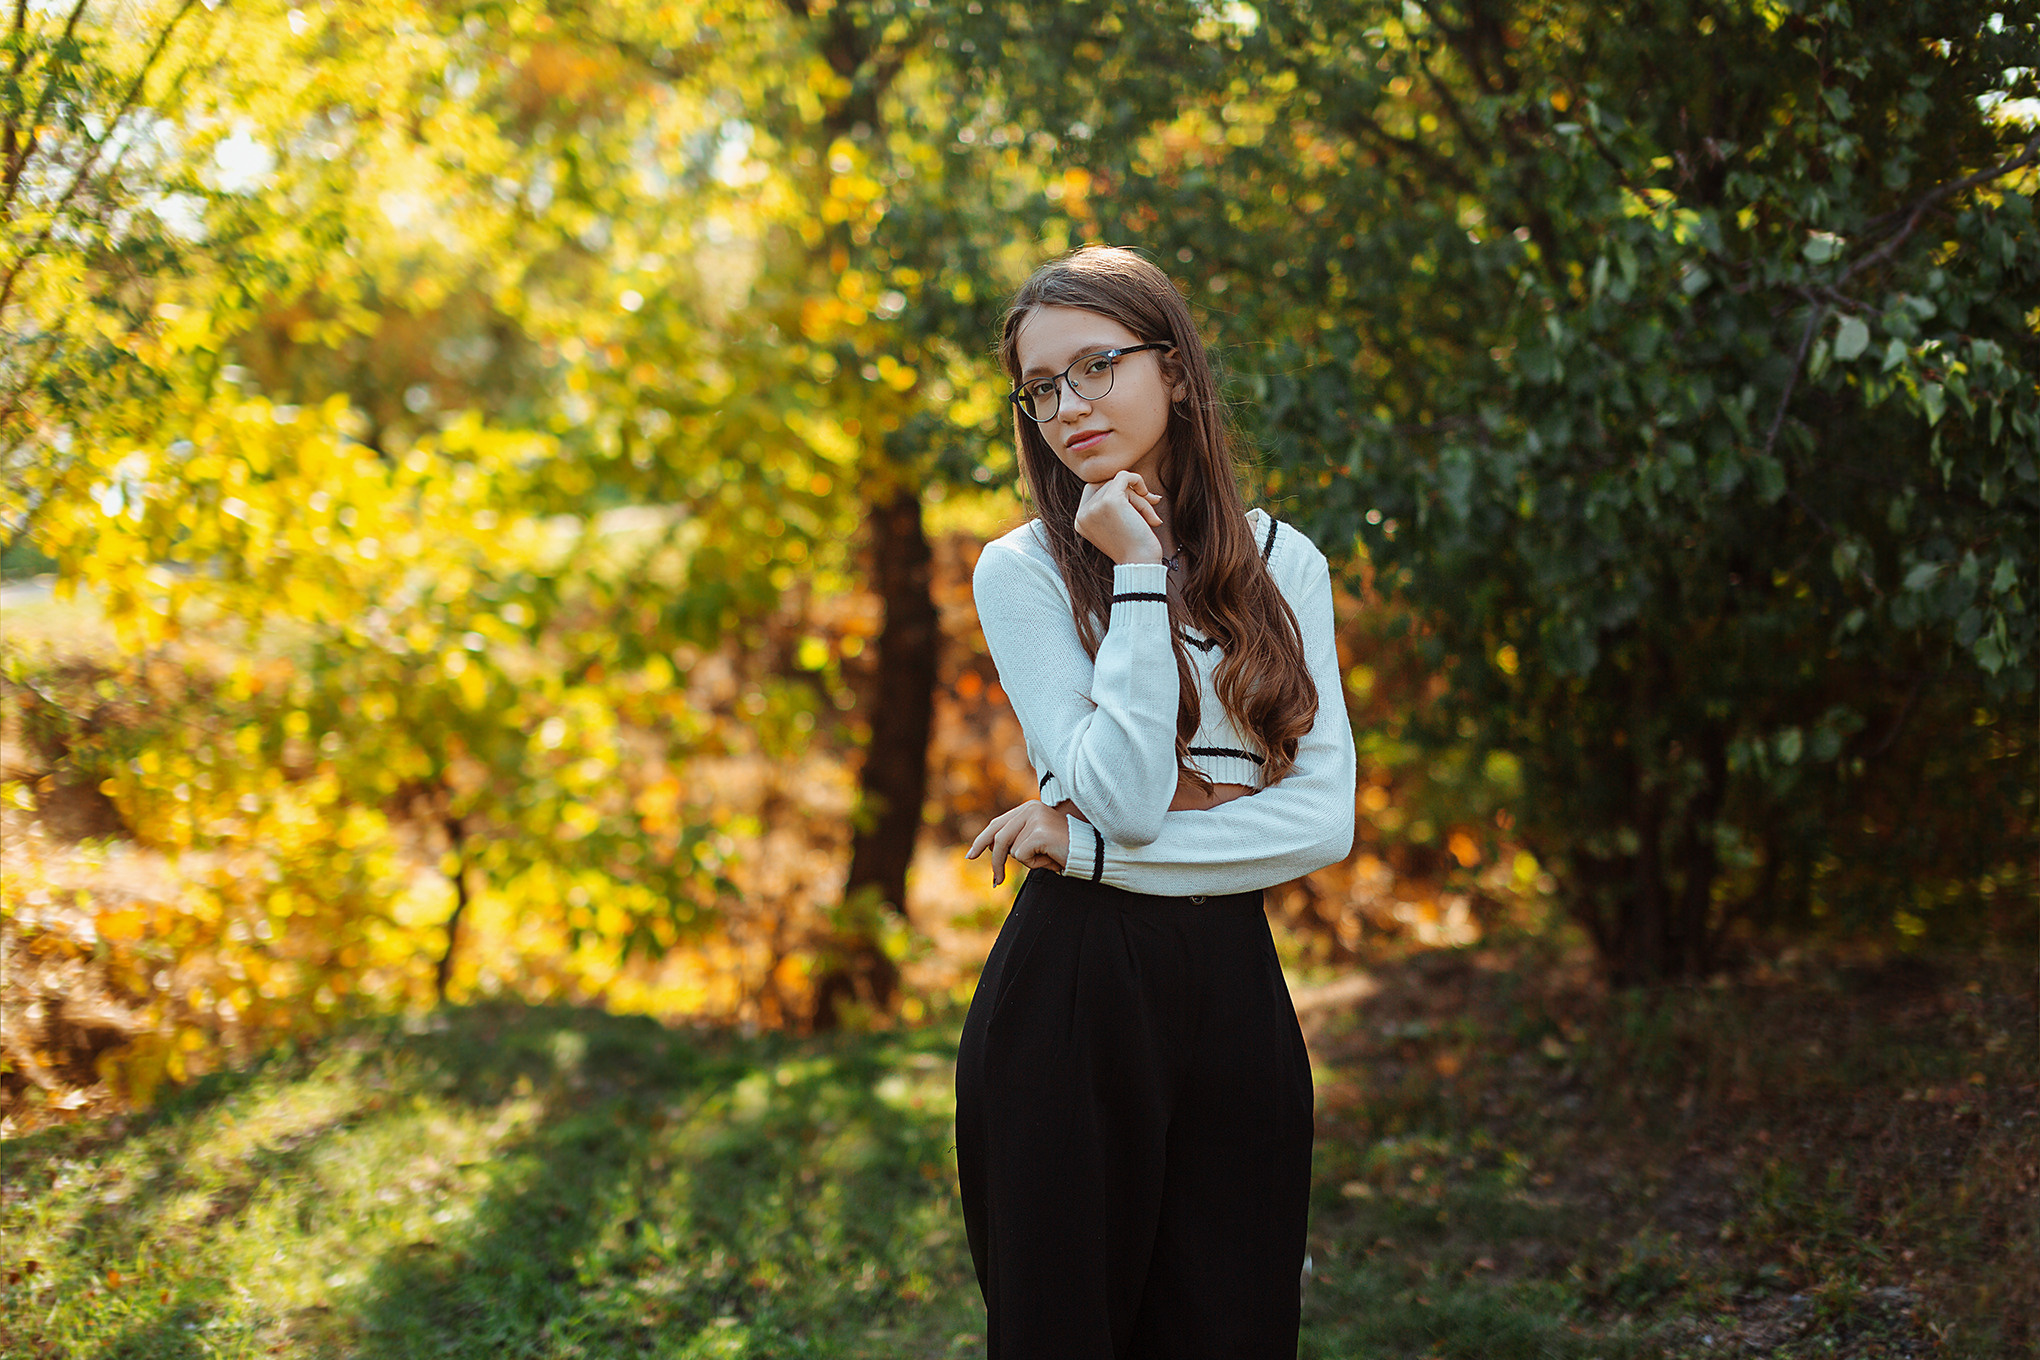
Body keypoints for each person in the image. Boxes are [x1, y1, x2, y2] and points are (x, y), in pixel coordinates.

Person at [954, 245, 1357, 1359]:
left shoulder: (1287, 562)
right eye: (1041, 389)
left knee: (1233, 1322)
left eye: (1096, 367)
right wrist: (1134, 569)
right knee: (1064, 1331)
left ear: (1173, 369)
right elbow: (1133, 795)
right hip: (1073, 996)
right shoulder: (1024, 569)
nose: (1068, 406)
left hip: (1236, 989)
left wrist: (1083, 848)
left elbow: (1321, 819)